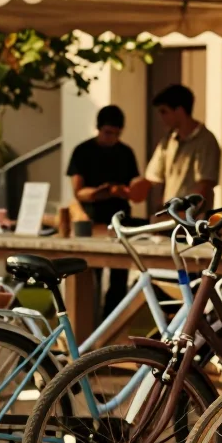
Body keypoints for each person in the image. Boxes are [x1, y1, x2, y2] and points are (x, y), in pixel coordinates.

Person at [66, 105, 142, 315]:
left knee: (119, 277)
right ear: (99, 128)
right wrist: (101, 192)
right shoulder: (83, 151)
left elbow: (134, 189)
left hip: (120, 219)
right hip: (91, 221)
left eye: (117, 134)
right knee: (91, 277)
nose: (112, 138)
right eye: (108, 133)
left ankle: (113, 323)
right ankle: (89, 322)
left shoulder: (125, 152)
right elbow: (78, 191)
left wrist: (124, 191)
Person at [129, 84, 221, 210]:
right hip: (171, 216)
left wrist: (188, 213)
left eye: (164, 112)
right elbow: (152, 178)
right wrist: (128, 190)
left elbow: (204, 185)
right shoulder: (168, 141)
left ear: (179, 111)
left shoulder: (206, 140)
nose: (161, 117)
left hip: (193, 219)